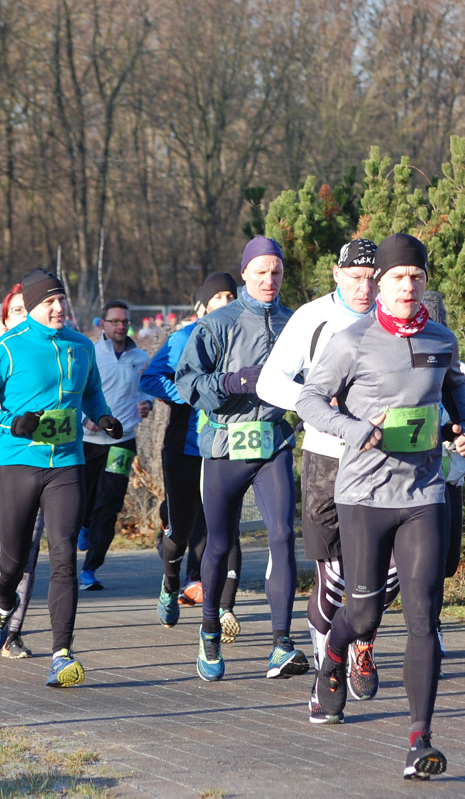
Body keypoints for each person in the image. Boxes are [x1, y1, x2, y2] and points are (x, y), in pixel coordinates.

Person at [296, 232, 465, 780]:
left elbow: (454, 392)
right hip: (364, 495)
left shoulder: (441, 338)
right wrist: (354, 430)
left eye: (415, 277)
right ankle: (332, 659)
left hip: (424, 494)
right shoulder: (352, 339)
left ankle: (419, 740)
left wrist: (463, 429)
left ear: (424, 283)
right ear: (379, 283)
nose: (407, 286)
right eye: (397, 277)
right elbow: (308, 398)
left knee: (424, 616)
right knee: (364, 613)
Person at [257, 238, 398, 713]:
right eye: (355, 278)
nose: (365, 288)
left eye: (372, 279)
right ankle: (327, 667)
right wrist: (316, 404)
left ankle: (360, 644)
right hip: (327, 458)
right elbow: (269, 381)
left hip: (383, 460)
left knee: (385, 568)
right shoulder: (312, 318)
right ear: (336, 275)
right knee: (333, 574)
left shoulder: (395, 318)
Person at [0, 269, 119, 687]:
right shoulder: (8, 348)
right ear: (31, 306)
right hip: (18, 467)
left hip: (67, 464)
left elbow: (91, 392)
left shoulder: (82, 346)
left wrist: (101, 417)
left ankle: (61, 653)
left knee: (64, 555)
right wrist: (11, 422)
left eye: (61, 299)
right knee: (12, 563)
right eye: (49, 301)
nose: (58, 306)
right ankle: (2, 605)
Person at [174, 236, 308, 682]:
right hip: (226, 445)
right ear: (246, 272)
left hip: (273, 443)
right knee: (218, 542)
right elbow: (187, 383)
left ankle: (281, 643)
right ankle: (210, 627)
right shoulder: (219, 322)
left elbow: (317, 379)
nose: (270, 280)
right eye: (261, 272)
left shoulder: (295, 323)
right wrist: (233, 382)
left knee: (283, 535)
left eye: (277, 273)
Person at [141, 273, 244, 632]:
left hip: (228, 445)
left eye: (231, 295)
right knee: (181, 529)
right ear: (202, 306)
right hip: (184, 447)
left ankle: (223, 612)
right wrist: (190, 392)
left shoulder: (244, 338)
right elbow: (150, 379)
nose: (227, 301)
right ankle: (171, 583)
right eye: (218, 297)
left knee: (226, 527)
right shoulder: (182, 338)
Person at [0, 290, 46, 659]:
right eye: (15, 311)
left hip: (37, 465)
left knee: (27, 554)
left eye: (26, 310)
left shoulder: (53, 352)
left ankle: (11, 631)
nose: (22, 316)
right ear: (4, 319)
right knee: (5, 552)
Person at [418, 291, 465, 662]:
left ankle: (432, 625)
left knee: (444, 563)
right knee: (416, 564)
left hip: (448, 479)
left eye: (437, 321)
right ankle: (426, 632)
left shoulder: (461, 371)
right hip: (408, 482)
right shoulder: (400, 363)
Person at [76, 300, 153, 590]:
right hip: (88, 441)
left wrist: (147, 406)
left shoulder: (140, 357)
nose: (121, 326)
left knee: (109, 504)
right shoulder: (90, 354)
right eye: (115, 321)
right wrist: (86, 420)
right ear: (103, 325)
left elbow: (145, 390)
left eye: (125, 322)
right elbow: (75, 392)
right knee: (83, 499)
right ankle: (83, 525)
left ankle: (90, 569)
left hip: (122, 440)